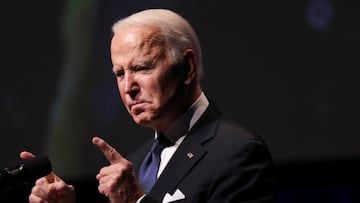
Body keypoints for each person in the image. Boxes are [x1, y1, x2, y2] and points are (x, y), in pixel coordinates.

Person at [20, 8, 276, 203]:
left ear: (187, 68)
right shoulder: (137, 163)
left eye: (142, 68)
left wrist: (138, 201)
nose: (128, 87)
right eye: (120, 74)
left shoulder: (238, 153)